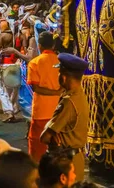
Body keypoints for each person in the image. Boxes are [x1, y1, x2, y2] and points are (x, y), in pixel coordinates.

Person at [40, 53, 89, 183]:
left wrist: (49, 129)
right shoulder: (79, 95)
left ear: (64, 77)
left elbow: (44, 137)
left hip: (65, 162)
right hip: (75, 158)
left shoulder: (69, 102)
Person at [27, 32, 62, 162]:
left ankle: (37, 172)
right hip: (59, 111)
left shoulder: (34, 63)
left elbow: (36, 88)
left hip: (41, 111)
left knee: (38, 145)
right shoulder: (61, 61)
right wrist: (58, 93)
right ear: (53, 45)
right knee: (58, 143)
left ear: (39, 45)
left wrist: (54, 93)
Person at [0, 11, 20, 123]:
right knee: (14, 88)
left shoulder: (2, 35)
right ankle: (13, 109)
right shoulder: (16, 34)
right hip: (16, 64)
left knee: (2, 90)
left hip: (5, 65)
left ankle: (9, 111)